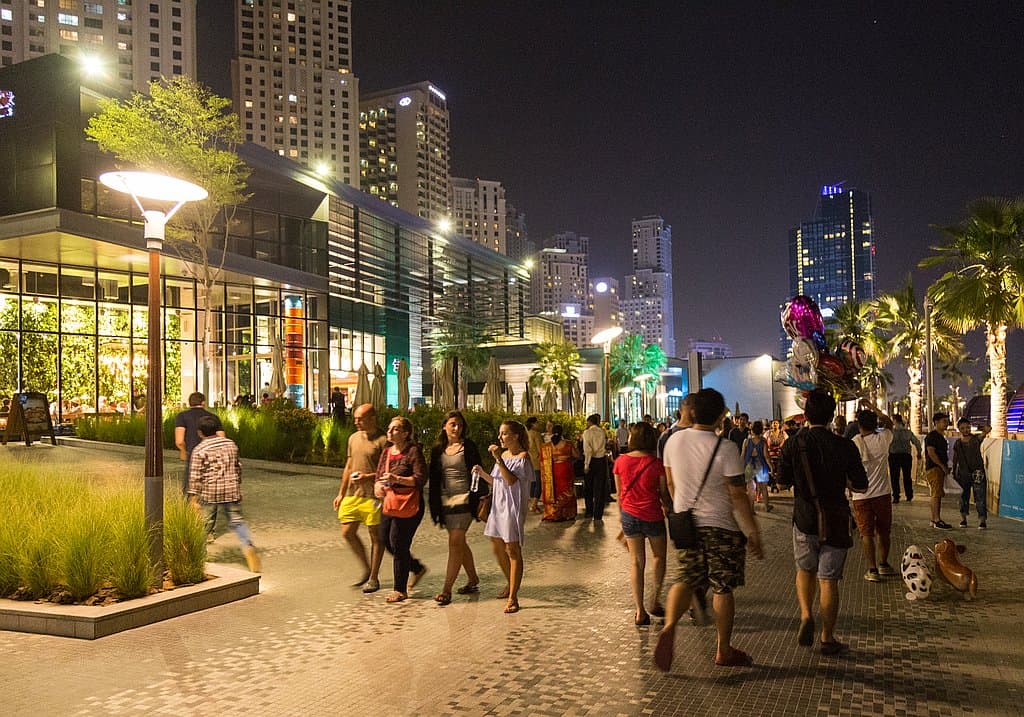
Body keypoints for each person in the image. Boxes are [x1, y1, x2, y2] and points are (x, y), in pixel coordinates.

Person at [655, 389, 763, 672]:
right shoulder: (725, 447)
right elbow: (738, 495)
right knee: (722, 587)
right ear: (720, 416)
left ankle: (668, 627)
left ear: (691, 413)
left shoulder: (672, 441)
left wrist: (680, 508)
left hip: (685, 524)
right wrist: (752, 531)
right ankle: (723, 650)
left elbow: (670, 484)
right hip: (720, 528)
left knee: (686, 578)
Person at [777, 390, 867, 656]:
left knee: (805, 571)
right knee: (829, 581)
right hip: (836, 520)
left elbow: (781, 483)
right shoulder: (845, 445)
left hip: (804, 518)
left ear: (806, 414)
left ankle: (806, 614)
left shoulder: (793, 444)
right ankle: (828, 637)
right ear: (831, 416)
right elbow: (860, 485)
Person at [614, 422, 671, 625]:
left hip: (630, 516)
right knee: (659, 557)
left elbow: (620, 494)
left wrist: (623, 518)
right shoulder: (656, 464)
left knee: (636, 563)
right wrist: (669, 507)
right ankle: (654, 600)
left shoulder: (620, 462)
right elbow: (664, 493)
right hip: (652, 515)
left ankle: (639, 611)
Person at [187, 414, 260, 572]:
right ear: (216, 430)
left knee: (203, 524)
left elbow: (195, 475)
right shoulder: (230, 444)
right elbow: (237, 466)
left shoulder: (200, 449)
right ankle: (247, 546)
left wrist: (193, 497)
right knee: (238, 521)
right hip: (231, 489)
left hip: (210, 491)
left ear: (200, 433)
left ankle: (199, 556)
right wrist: (237, 482)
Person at [428, 411, 484, 605]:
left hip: (465, 500)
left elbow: (479, 471)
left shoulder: (468, 447)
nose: (456, 428)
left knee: (454, 542)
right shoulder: (438, 449)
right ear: (445, 426)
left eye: (459, 425)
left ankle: (446, 590)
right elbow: (434, 478)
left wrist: (479, 497)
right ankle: (473, 579)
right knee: (459, 543)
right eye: (452, 424)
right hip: (446, 502)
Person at [477, 420, 532, 613]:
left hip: (512, 508)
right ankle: (510, 582)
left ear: (515, 436)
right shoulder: (503, 455)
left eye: (504, 433)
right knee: (497, 545)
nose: (500, 437)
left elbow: (510, 480)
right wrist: (482, 473)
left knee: (513, 549)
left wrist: (498, 458)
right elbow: (497, 481)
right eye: (500, 434)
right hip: (498, 506)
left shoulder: (522, 457)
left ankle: (513, 597)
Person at [332, 403, 387, 592]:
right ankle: (366, 568)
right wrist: (341, 492)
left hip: (373, 495)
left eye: (360, 419)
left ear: (372, 418)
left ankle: (373, 577)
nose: (356, 422)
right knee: (347, 532)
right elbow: (349, 465)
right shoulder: (353, 438)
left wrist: (367, 477)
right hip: (353, 494)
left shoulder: (383, 440)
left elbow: (386, 471)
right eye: (355, 418)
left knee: (376, 537)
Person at [374, 416, 428, 603]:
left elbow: (421, 478)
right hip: (390, 502)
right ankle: (416, 567)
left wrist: (399, 480)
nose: (390, 431)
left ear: (405, 433)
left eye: (395, 429)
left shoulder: (413, 452)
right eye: (389, 428)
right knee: (383, 539)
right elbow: (379, 475)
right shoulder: (387, 452)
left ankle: (400, 589)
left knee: (398, 542)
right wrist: (378, 486)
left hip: (409, 504)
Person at [850, 404, 896, 582]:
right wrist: (871, 406)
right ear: (875, 423)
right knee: (884, 531)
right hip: (882, 493)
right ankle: (884, 564)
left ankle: (872, 569)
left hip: (861, 495)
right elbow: (889, 422)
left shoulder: (854, 442)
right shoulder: (883, 438)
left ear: (858, 425)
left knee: (866, 534)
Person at [175, 392, 225, 495]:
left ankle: (190, 508)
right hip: (212, 456)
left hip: (192, 455)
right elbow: (222, 439)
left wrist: (184, 451)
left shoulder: (182, 416)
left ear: (190, 403)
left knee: (190, 489)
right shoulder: (213, 417)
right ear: (203, 402)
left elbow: (179, 441)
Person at [952, 419, 987, 529]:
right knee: (963, 497)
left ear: (970, 427)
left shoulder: (976, 439)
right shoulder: (957, 443)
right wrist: (953, 471)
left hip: (978, 473)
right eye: (962, 428)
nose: (965, 430)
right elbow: (955, 458)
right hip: (963, 474)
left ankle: (982, 520)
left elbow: (982, 435)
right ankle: (963, 519)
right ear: (959, 429)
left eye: (967, 427)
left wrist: (986, 431)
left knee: (980, 497)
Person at [539, 424, 578, 522]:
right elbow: (577, 455)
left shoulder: (547, 446)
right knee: (567, 490)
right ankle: (567, 514)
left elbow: (542, 459)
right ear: (562, 432)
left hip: (552, 471)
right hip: (565, 469)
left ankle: (553, 514)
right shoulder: (568, 444)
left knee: (554, 491)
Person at [924, 412, 954, 530]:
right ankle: (936, 520)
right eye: (944, 421)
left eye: (947, 421)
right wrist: (942, 466)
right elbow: (931, 452)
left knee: (938, 493)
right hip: (934, 468)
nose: (946, 424)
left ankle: (935, 519)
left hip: (938, 468)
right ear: (936, 423)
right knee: (936, 494)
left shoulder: (941, 437)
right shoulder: (932, 436)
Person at [582, 413, 610, 523]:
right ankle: (598, 513)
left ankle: (589, 511)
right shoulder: (602, 432)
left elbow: (588, 450)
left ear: (590, 422)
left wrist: (586, 464)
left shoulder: (587, 433)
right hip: (601, 460)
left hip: (592, 460)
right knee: (600, 488)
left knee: (588, 487)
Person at [888, 414, 921, 503]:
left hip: (894, 456)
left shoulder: (891, 432)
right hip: (906, 456)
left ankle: (896, 496)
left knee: (894, 477)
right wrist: (919, 452)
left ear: (894, 421)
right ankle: (909, 495)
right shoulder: (908, 432)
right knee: (907, 476)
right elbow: (917, 442)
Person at [741, 420, 772, 512]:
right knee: (763, 488)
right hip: (761, 465)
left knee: (750, 488)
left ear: (752, 430)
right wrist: (771, 466)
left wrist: (740, 466)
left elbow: (742, 455)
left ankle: (751, 509)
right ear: (761, 430)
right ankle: (766, 507)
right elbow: (766, 456)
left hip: (749, 465)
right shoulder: (763, 441)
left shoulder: (746, 441)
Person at [525, 416, 544, 513]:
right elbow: (541, 449)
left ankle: (532, 503)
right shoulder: (536, 434)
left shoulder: (526, 434)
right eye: (537, 423)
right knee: (538, 483)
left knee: (532, 483)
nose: (538, 424)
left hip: (528, 461)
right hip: (537, 461)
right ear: (532, 424)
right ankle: (534, 504)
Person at [765, 419, 787, 492]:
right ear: (771, 425)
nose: (775, 424)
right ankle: (771, 483)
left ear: (779, 424)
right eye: (773, 423)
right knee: (771, 469)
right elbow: (763, 441)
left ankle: (778, 483)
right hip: (770, 454)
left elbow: (787, 441)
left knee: (779, 469)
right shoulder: (768, 433)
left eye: (776, 423)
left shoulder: (783, 433)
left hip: (780, 454)